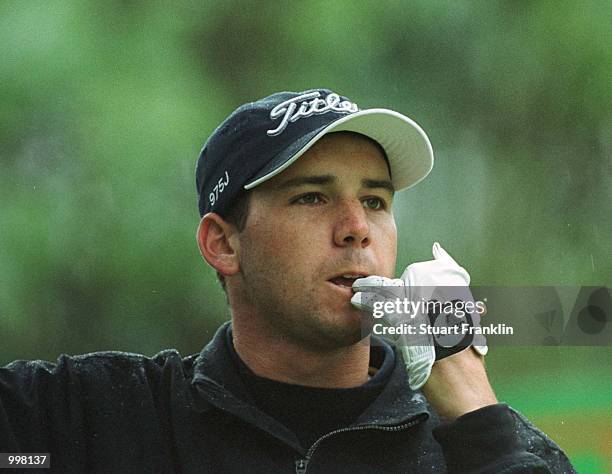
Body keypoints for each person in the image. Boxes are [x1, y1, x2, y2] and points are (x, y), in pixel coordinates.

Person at [0, 89, 574, 473]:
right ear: (223, 244)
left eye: (374, 200)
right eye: (312, 197)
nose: (356, 229)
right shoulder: (102, 420)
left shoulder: (474, 445)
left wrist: (473, 405)